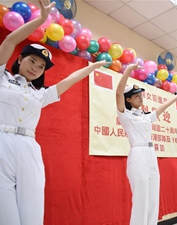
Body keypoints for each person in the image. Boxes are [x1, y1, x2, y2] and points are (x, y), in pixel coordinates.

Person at [0, 1, 109, 224]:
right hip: (2, 144)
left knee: (32, 210)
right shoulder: (2, 79)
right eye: (32, 61)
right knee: (6, 213)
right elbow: (10, 41)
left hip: (29, 147)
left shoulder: (40, 94)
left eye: (41, 67)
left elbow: (67, 82)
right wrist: (40, 21)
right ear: (20, 59)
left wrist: (91, 67)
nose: (35, 68)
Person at [116, 63, 177, 225]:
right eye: (136, 95)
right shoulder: (125, 115)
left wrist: (176, 97)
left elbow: (161, 109)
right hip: (138, 154)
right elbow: (118, 93)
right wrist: (128, 71)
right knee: (140, 198)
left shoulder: (145, 116)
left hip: (150, 154)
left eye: (141, 94)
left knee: (153, 196)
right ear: (128, 99)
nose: (140, 97)